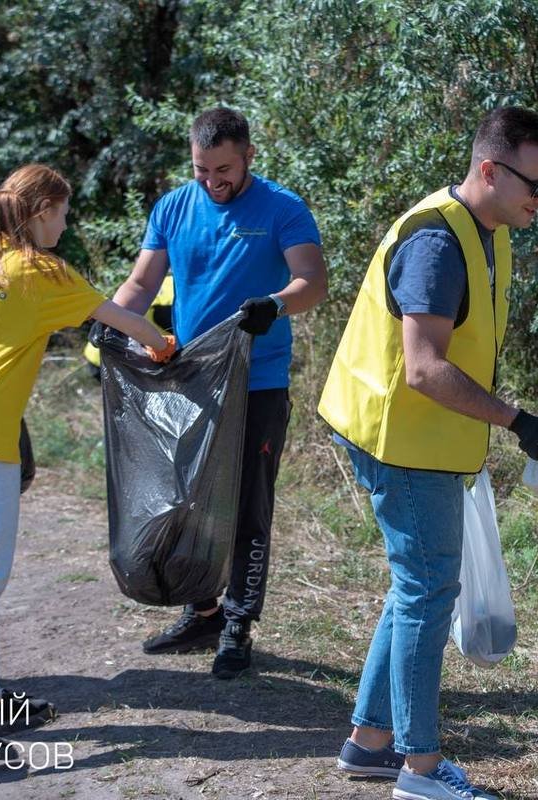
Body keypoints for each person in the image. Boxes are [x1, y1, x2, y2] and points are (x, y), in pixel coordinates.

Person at [318, 105, 538, 800]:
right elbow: (425, 368)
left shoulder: (490, 228)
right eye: (535, 186)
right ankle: (419, 772)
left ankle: (369, 743)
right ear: (489, 169)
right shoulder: (436, 241)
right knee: (428, 592)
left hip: (425, 439)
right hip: (398, 438)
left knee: (417, 586)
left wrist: (504, 422)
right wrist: (516, 421)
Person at [0, 163, 175, 756]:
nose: (66, 224)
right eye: (64, 212)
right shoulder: (43, 271)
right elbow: (124, 320)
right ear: (42, 211)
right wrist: (163, 346)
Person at [113, 107, 328, 679]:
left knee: (246, 507)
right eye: (202, 169)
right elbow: (141, 283)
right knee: (189, 499)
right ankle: (202, 610)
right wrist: (109, 321)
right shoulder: (173, 207)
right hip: (189, 381)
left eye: (224, 169)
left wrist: (275, 305)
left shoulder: (282, 207)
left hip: (256, 384)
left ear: (249, 155)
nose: (212, 181)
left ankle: (238, 623)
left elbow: (313, 280)